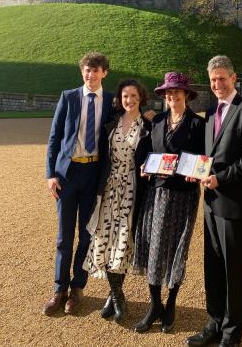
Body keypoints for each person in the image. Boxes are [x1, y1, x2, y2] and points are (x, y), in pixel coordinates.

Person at [187, 56, 242, 347]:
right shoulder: (210, 111)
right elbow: (209, 158)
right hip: (211, 203)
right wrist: (197, 172)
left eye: (222, 78)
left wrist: (221, 178)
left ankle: (232, 333)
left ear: (234, 78)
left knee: (235, 272)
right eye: (213, 79)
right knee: (213, 267)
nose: (217, 84)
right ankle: (214, 322)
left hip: (235, 205)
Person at [132, 72, 205, 334]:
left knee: (176, 248)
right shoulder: (158, 120)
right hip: (157, 192)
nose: (172, 96)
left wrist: (196, 172)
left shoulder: (198, 124)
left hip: (183, 195)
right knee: (153, 246)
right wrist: (145, 166)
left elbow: (203, 160)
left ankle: (171, 302)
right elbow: (151, 153)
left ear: (186, 95)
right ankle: (155, 304)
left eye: (177, 92)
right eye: (168, 93)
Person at [43, 52, 114, 316]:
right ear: (81, 72)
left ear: (104, 73)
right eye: (86, 70)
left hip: (93, 174)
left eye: (96, 70)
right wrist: (51, 173)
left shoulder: (110, 101)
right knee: (64, 237)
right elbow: (54, 138)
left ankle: (77, 288)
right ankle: (59, 289)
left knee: (86, 235)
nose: (90, 75)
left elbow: (130, 118)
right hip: (67, 175)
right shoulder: (69, 97)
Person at [83, 79, 152, 321]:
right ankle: (116, 294)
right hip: (110, 186)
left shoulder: (148, 126)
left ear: (141, 98)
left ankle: (115, 296)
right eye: (125, 96)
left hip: (132, 188)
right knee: (105, 237)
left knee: (122, 240)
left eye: (134, 96)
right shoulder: (111, 121)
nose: (129, 100)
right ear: (119, 99)